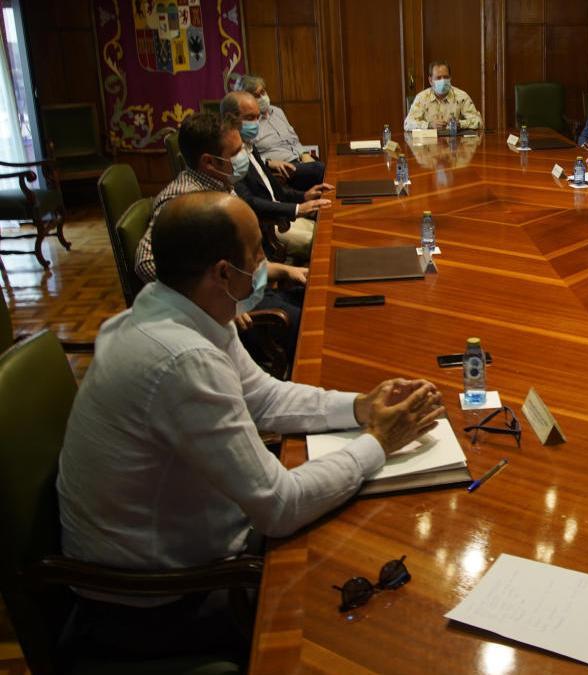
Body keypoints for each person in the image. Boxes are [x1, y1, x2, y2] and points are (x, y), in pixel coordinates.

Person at [57, 192, 446, 664]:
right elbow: (279, 507)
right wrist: (379, 443)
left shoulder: (177, 310)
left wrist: (361, 407)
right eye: (258, 255)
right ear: (223, 273)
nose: (265, 264)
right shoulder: (182, 358)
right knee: (370, 620)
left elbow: (262, 396)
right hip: (159, 604)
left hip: (187, 549)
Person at [133, 112, 308, 358]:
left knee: (319, 301)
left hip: (254, 289)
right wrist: (211, 305)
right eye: (236, 152)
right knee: (311, 327)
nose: (243, 156)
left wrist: (283, 270)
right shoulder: (184, 201)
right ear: (209, 162)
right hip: (238, 313)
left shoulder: (221, 184)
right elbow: (145, 261)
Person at [221, 91, 333, 262]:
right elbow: (249, 202)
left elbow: (274, 188)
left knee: (329, 228)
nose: (256, 124)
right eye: (250, 117)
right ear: (230, 119)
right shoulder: (229, 155)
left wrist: (304, 196)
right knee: (323, 243)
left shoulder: (250, 145)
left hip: (281, 214)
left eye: (257, 117)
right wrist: (297, 209)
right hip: (267, 225)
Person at [238, 74, 326, 191]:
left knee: (324, 168)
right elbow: (248, 155)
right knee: (319, 169)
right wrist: (269, 163)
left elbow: (293, 139)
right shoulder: (249, 124)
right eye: (256, 95)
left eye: (263, 92)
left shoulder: (278, 111)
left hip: (300, 159)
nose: (262, 97)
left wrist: (304, 154)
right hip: (281, 168)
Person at [404, 61, 482, 131]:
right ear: (430, 81)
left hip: (455, 144)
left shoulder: (462, 96)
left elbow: (478, 122)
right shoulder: (421, 97)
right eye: (438, 78)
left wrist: (460, 124)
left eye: (446, 77)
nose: (443, 81)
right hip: (429, 144)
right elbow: (408, 124)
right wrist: (429, 125)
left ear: (450, 78)